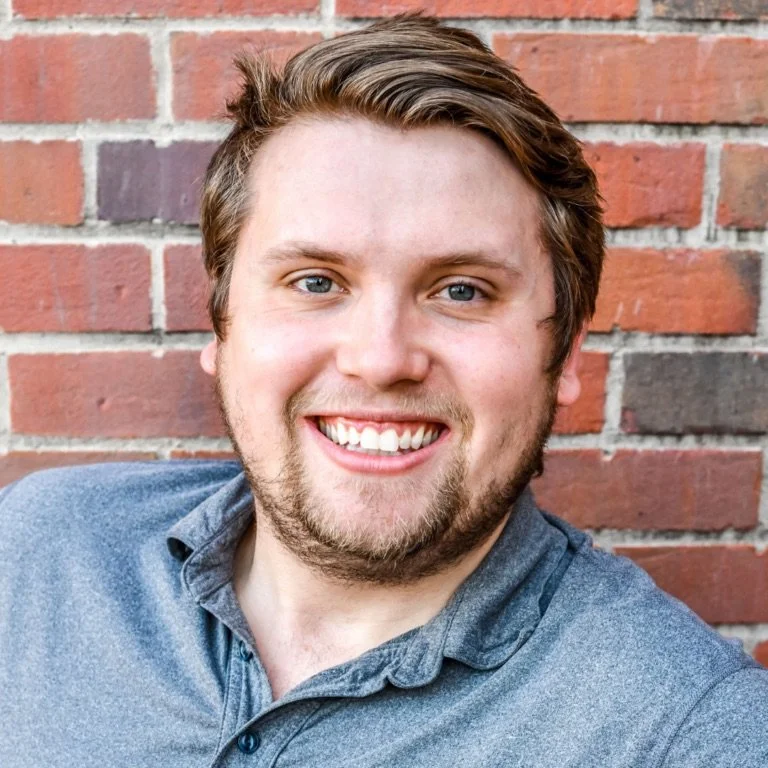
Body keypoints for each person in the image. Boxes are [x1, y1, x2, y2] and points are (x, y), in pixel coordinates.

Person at [1, 14, 766, 768]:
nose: (381, 358)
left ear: (563, 351)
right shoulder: (39, 554)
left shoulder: (689, 732)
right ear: (222, 324)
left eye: (462, 291)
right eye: (315, 281)